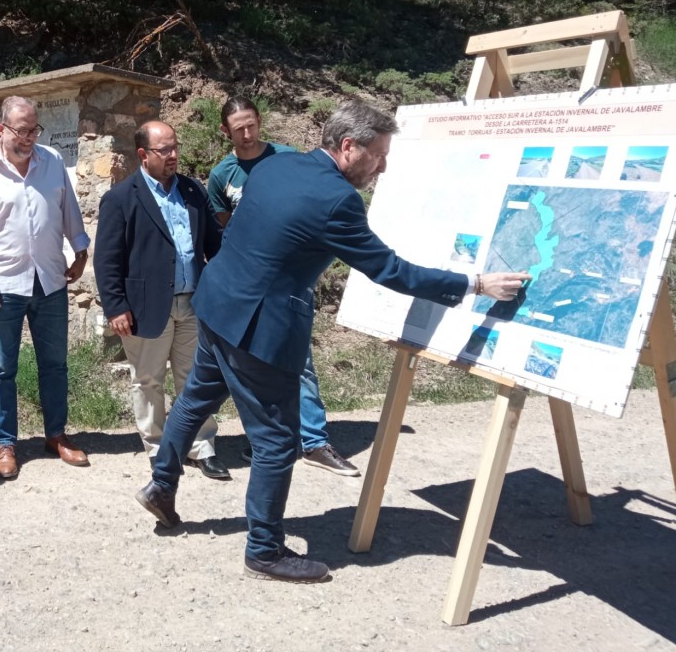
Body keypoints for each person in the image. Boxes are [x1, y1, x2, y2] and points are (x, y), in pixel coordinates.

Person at [135, 99, 531, 584]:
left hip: (219, 305)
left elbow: (245, 233)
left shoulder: (279, 166)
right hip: (257, 329)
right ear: (348, 147)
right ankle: (264, 551)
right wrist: (475, 283)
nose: (382, 166)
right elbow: (390, 270)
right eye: (378, 155)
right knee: (278, 440)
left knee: (194, 401)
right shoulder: (337, 200)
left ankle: (161, 485)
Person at [209, 95, 359, 478]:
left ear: (260, 121)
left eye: (251, 124)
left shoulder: (288, 158)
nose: (246, 133)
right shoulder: (221, 175)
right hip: (245, 287)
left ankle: (314, 440)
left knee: (300, 363)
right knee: (249, 367)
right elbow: (228, 228)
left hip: (289, 282)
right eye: (238, 128)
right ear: (225, 131)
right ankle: (266, 438)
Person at [0, 96, 91, 479]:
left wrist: (80, 249)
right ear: (1, 129)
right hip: (5, 283)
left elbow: (68, 208)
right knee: (3, 368)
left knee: (55, 364)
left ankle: (56, 435)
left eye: (35, 129)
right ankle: (5, 443)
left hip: (49, 279)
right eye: (22, 130)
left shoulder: (51, 161)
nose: (30, 137)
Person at [94, 121, 228, 479]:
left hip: (193, 304)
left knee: (195, 378)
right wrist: (115, 306)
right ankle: (157, 447)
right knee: (149, 380)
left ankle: (201, 446)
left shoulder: (191, 190)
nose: (173, 155)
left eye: (175, 147)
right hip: (144, 308)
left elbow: (214, 243)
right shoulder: (121, 197)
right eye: (164, 150)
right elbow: (107, 259)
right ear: (143, 155)